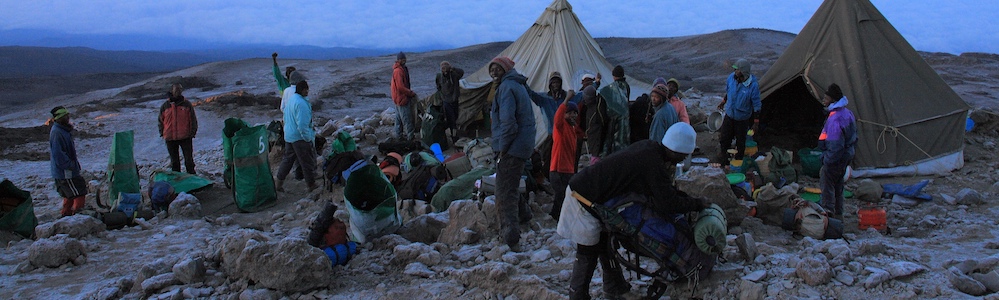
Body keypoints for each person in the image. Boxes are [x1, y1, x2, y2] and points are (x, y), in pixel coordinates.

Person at [565, 122, 708, 300]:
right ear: (676, 151)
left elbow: (663, 192)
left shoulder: (650, 149)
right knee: (588, 250)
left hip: (594, 194)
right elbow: (667, 202)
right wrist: (696, 204)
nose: (682, 159)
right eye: (683, 155)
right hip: (582, 196)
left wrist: (688, 200)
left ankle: (615, 288)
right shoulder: (652, 162)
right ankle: (577, 295)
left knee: (604, 244)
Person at [489, 56, 536, 250]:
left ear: (506, 70)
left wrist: (503, 149)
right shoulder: (519, 85)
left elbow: (508, 123)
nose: (493, 73)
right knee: (512, 181)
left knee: (504, 191)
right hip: (524, 144)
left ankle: (510, 235)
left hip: (513, 145)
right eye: (491, 70)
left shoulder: (506, 88)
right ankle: (525, 215)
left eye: (497, 69)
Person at [818, 83, 857, 220]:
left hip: (835, 159)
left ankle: (828, 215)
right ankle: (838, 215)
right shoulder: (847, 113)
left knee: (828, 187)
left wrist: (827, 160)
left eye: (826, 97)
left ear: (833, 99)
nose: (823, 100)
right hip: (846, 157)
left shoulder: (835, 119)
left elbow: (836, 145)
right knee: (838, 187)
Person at [275, 80, 318, 192]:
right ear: (303, 90)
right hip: (299, 137)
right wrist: (307, 138)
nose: (308, 91)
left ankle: (278, 183)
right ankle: (311, 185)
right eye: (307, 89)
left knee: (287, 160)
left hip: (289, 135)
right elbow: (302, 124)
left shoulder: (292, 99)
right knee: (306, 161)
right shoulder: (301, 104)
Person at [716, 58, 761, 162]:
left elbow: (756, 105)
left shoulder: (752, 85)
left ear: (744, 71)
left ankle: (738, 161)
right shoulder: (731, 78)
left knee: (740, 142)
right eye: (735, 70)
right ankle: (724, 159)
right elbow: (729, 91)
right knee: (725, 138)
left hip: (742, 119)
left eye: (737, 70)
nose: (735, 72)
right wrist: (723, 101)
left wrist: (756, 122)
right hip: (730, 114)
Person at [49, 106, 89, 217]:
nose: (68, 118)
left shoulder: (62, 130)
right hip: (66, 172)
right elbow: (59, 155)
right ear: (59, 118)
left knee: (69, 194)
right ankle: (78, 215)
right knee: (79, 192)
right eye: (65, 116)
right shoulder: (58, 133)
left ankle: (66, 215)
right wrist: (70, 165)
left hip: (66, 170)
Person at [548, 100, 580, 220]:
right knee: (561, 195)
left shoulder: (573, 130)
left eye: (575, 113)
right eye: (569, 113)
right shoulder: (560, 127)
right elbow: (557, 117)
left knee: (566, 195)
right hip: (558, 169)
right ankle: (556, 217)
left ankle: (559, 217)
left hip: (568, 170)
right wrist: (566, 100)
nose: (573, 115)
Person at [158, 84, 198, 174]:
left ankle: (192, 180)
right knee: (174, 162)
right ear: (172, 90)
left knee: (189, 161)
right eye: (176, 89)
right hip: (170, 138)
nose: (178, 91)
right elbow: (160, 120)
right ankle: (177, 180)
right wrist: (162, 132)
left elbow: (192, 119)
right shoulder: (165, 106)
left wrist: (192, 132)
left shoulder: (187, 104)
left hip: (185, 137)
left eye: (180, 89)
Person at [391, 52, 418, 141]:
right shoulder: (399, 71)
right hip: (402, 98)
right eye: (402, 59)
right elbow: (400, 87)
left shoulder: (400, 69)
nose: (404, 60)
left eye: (404, 59)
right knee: (407, 119)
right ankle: (410, 138)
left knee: (398, 120)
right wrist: (410, 93)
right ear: (398, 60)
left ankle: (398, 136)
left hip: (397, 99)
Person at [436, 61, 464, 141]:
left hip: (454, 100)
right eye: (442, 67)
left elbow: (462, 72)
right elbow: (438, 87)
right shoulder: (439, 76)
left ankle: (453, 134)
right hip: (446, 101)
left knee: (455, 117)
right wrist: (441, 97)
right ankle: (454, 137)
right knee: (451, 121)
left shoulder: (454, 75)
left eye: (445, 66)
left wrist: (453, 68)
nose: (444, 68)